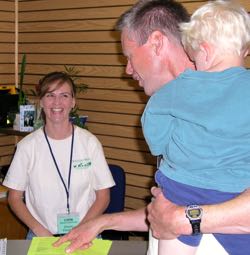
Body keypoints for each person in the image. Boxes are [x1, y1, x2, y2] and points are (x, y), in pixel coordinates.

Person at [54, 0, 250, 253]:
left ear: (157, 42)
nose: (127, 70)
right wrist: (103, 222)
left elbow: (180, 214)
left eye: (130, 56)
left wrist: (182, 220)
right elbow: (170, 208)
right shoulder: (177, 117)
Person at [141, 0, 250, 254]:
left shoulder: (182, 86)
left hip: (181, 188)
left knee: (169, 239)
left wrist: (166, 146)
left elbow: (152, 119)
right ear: (244, 50)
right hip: (235, 194)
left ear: (205, 51)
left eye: (193, 56)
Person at [3, 71, 115, 238]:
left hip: (85, 232)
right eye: (50, 95)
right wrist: (40, 230)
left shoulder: (89, 143)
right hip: (41, 234)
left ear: (73, 102)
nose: (57, 102)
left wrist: (81, 228)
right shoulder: (27, 146)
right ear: (41, 101)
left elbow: (103, 196)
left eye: (64, 95)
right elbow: (14, 197)